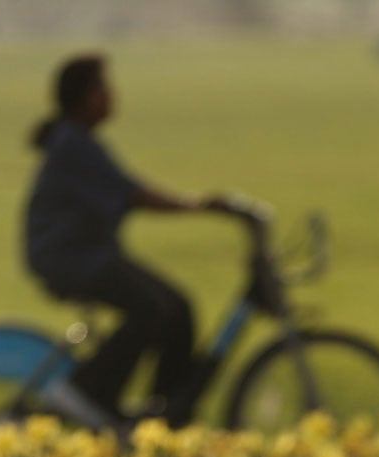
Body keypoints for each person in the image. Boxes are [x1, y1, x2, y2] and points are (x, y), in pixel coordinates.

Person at [22, 54, 232, 429]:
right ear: (85, 97)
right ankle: (86, 393)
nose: (112, 96)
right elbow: (132, 193)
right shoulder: (74, 144)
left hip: (89, 255)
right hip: (72, 258)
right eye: (103, 87)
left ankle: (164, 414)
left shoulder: (78, 140)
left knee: (178, 306)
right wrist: (197, 205)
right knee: (151, 309)